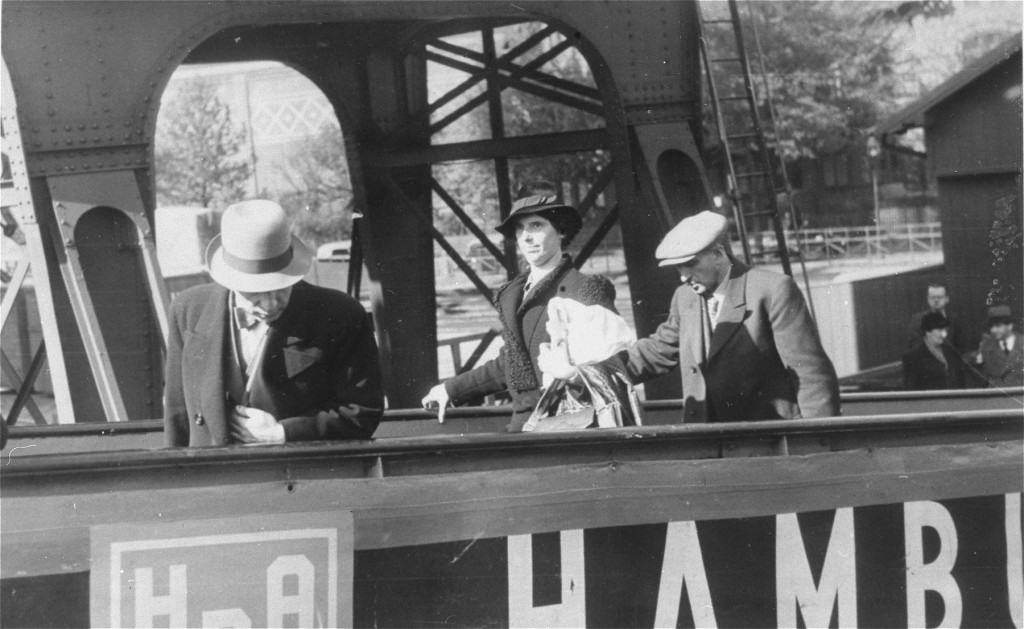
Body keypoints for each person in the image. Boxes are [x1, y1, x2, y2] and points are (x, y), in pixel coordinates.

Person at [542, 210, 839, 423]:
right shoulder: (685, 298)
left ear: (719, 254)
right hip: (708, 440)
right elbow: (655, 352)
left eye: (690, 264)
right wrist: (585, 371)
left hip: (765, 438)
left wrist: (819, 441)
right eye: (677, 268)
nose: (684, 276)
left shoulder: (771, 290)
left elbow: (811, 374)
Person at [163, 200, 384, 447]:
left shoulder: (341, 315)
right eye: (253, 292)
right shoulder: (188, 310)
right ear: (229, 278)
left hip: (302, 476)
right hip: (216, 477)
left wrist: (284, 433)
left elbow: (363, 411)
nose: (269, 305)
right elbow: (177, 411)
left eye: (280, 288)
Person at [421, 181, 616, 432]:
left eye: (537, 225)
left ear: (561, 231)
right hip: (525, 428)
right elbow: (511, 364)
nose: (526, 236)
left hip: (572, 429)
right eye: (520, 228)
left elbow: (615, 366)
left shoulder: (586, 290)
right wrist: (450, 389)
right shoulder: (515, 295)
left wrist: (574, 374)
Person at [902, 312, 965, 391]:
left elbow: (961, 384)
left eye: (945, 330)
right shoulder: (913, 357)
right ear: (928, 332)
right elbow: (910, 390)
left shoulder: (952, 353)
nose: (944, 334)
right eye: (940, 330)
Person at [976, 304, 1023, 388]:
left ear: (1010, 326)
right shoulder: (986, 347)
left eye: (998, 326)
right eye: (991, 326)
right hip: (996, 397)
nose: (993, 330)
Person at [908, 283, 962, 352]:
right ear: (928, 299)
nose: (936, 300)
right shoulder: (918, 320)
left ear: (946, 299)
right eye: (932, 297)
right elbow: (916, 346)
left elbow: (960, 346)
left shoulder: (954, 318)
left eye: (940, 297)